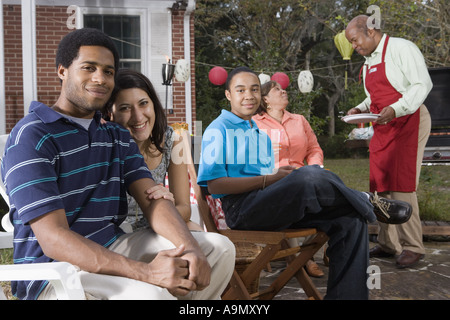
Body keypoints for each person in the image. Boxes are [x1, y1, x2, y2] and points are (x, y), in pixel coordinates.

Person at [1, 28, 235, 300]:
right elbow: (53, 239)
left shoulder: (116, 135)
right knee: (150, 295)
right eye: (89, 68)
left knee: (218, 249)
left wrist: (190, 246)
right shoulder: (34, 135)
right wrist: (148, 273)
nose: (100, 78)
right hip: (56, 273)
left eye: (108, 71)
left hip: (113, 245)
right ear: (62, 71)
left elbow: (152, 200)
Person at [197, 66, 413, 300]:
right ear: (228, 95)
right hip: (242, 213)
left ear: (260, 95)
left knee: (350, 219)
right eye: (240, 90)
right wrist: (270, 179)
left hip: (269, 206)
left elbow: (267, 181)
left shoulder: (258, 132)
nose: (248, 95)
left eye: (254, 89)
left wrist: (280, 177)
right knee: (308, 174)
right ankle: (365, 199)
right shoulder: (218, 130)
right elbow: (215, 186)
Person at [345, 15, 432, 268]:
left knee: (401, 183)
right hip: (384, 124)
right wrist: (358, 108)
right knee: (379, 184)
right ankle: (388, 243)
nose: (354, 46)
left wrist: (396, 109)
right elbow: (373, 97)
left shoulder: (402, 48)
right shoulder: (368, 62)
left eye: (355, 40)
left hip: (409, 119)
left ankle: (413, 246)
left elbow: (421, 84)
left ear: (370, 31)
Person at [104, 69, 202, 232]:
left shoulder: (172, 140)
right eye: (125, 108)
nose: (138, 117)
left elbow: (184, 208)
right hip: (119, 229)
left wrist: (163, 212)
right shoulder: (104, 144)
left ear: (154, 105)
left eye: (143, 103)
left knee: (199, 233)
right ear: (110, 113)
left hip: (158, 221)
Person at [253, 80, 325, 277]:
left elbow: (313, 149)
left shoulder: (299, 120)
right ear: (266, 99)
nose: (283, 90)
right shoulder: (254, 123)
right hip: (272, 179)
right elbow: (247, 158)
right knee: (294, 195)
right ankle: (303, 259)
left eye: (282, 88)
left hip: (303, 175)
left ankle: (303, 254)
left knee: (324, 197)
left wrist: (315, 167)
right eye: (277, 89)